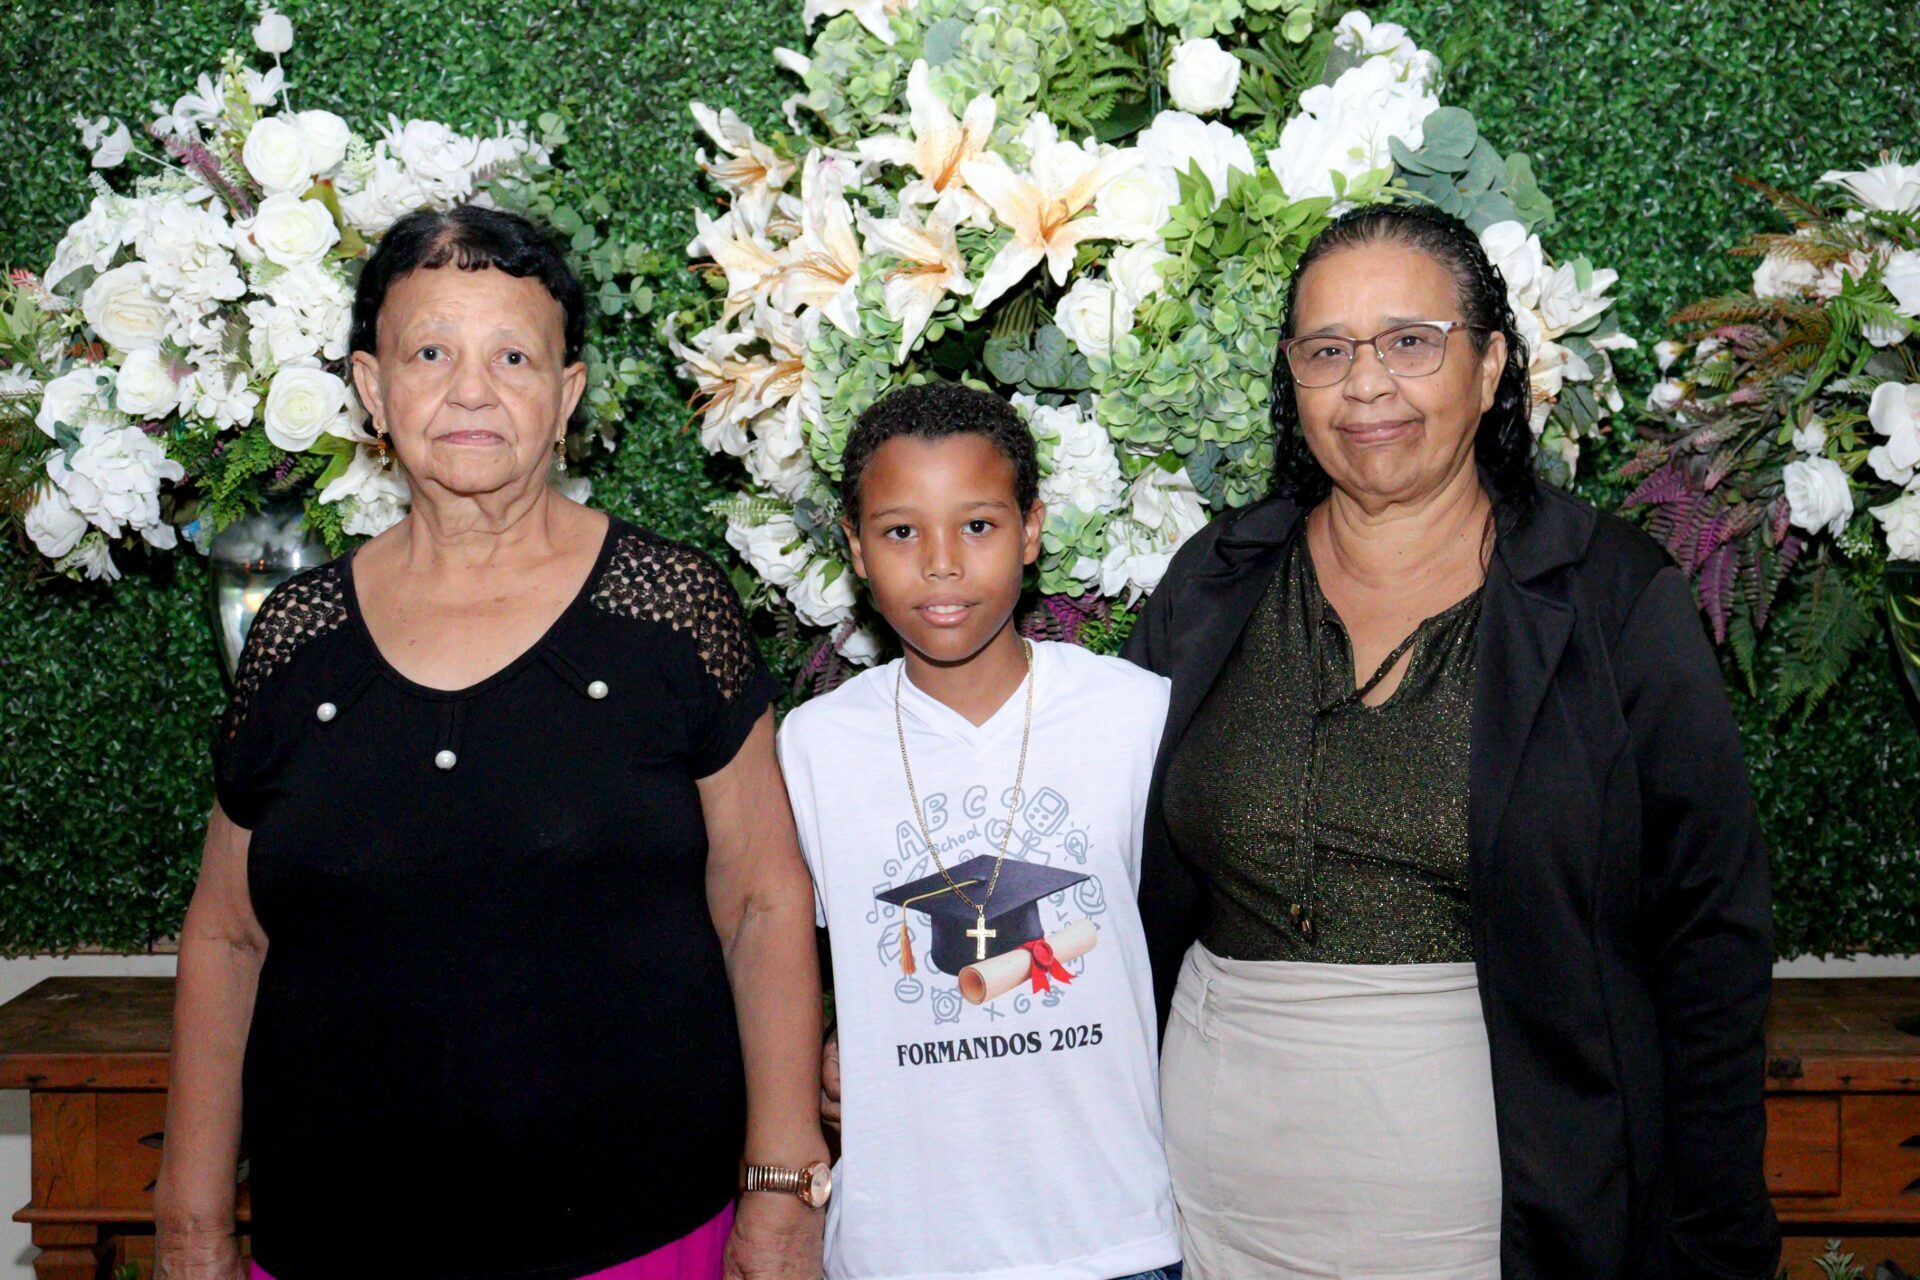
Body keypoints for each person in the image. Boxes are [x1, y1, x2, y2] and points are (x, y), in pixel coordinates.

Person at [153, 205, 828, 1280]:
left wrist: (784, 1182)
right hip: (331, 1238)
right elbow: (228, 936)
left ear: (566, 394)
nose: (472, 390)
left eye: (514, 356)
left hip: (641, 1234)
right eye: (431, 353)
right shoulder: (296, 637)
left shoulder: (671, 611)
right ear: (374, 389)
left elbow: (763, 903)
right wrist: (191, 1224)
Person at [1123, 203, 1779, 1279]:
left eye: (1410, 342)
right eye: (1327, 351)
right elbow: (1106, 880)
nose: (1365, 385)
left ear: (1490, 367)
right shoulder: (1213, 584)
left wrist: (1718, 1246)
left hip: (1513, 1224)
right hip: (1208, 1210)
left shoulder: (1612, 601)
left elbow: (1708, 942)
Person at [778, 382, 1183, 1280]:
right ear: (854, 547)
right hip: (902, 1245)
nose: (941, 564)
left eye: (977, 525)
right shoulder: (812, 748)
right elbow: (785, 971)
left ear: (1032, 530)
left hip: (1109, 1234)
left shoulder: (1133, 715)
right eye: (899, 532)